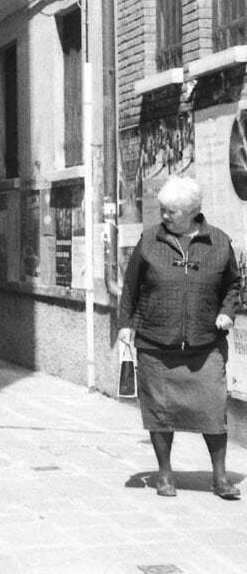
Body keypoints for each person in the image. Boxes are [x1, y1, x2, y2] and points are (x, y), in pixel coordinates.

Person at [118, 175, 241, 499]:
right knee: (160, 411)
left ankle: (220, 477)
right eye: (163, 210)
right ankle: (165, 474)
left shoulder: (218, 241)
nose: (165, 216)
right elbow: (130, 286)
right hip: (156, 344)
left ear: (192, 212)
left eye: (171, 211)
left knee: (213, 410)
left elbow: (233, 284)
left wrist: (228, 310)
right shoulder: (149, 241)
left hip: (205, 343)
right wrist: (125, 323)